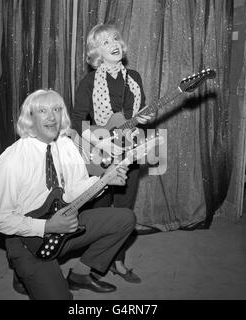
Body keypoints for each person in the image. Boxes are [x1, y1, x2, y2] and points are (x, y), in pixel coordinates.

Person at [0, 89, 136, 300]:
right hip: (28, 241)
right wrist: (48, 227)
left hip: (66, 223)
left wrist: (105, 180)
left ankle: (80, 274)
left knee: (125, 219)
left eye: (57, 109)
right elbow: (1, 220)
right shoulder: (11, 160)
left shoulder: (66, 145)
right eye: (43, 111)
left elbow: (74, 192)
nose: (51, 117)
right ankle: (24, 270)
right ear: (29, 118)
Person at [71, 23, 158, 284]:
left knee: (125, 207)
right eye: (106, 42)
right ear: (96, 51)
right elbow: (76, 120)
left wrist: (145, 117)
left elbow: (135, 115)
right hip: (101, 154)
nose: (114, 44)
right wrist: (101, 144)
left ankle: (118, 262)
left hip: (130, 150)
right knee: (100, 209)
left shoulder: (135, 78)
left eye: (116, 39)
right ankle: (92, 266)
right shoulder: (89, 81)